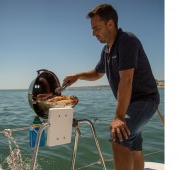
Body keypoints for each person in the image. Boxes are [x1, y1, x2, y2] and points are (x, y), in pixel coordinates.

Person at [62, 3, 160, 170]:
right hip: (131, 104)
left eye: (96, 28)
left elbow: (126, 80)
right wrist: (78, 76)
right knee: (134, 146)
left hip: (145, 100)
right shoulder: (106, 50)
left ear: (110, 24)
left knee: (119, 135)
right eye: (92, 29)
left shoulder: (127, 41)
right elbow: (97, 73)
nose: (93, 34)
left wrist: (119, 117)